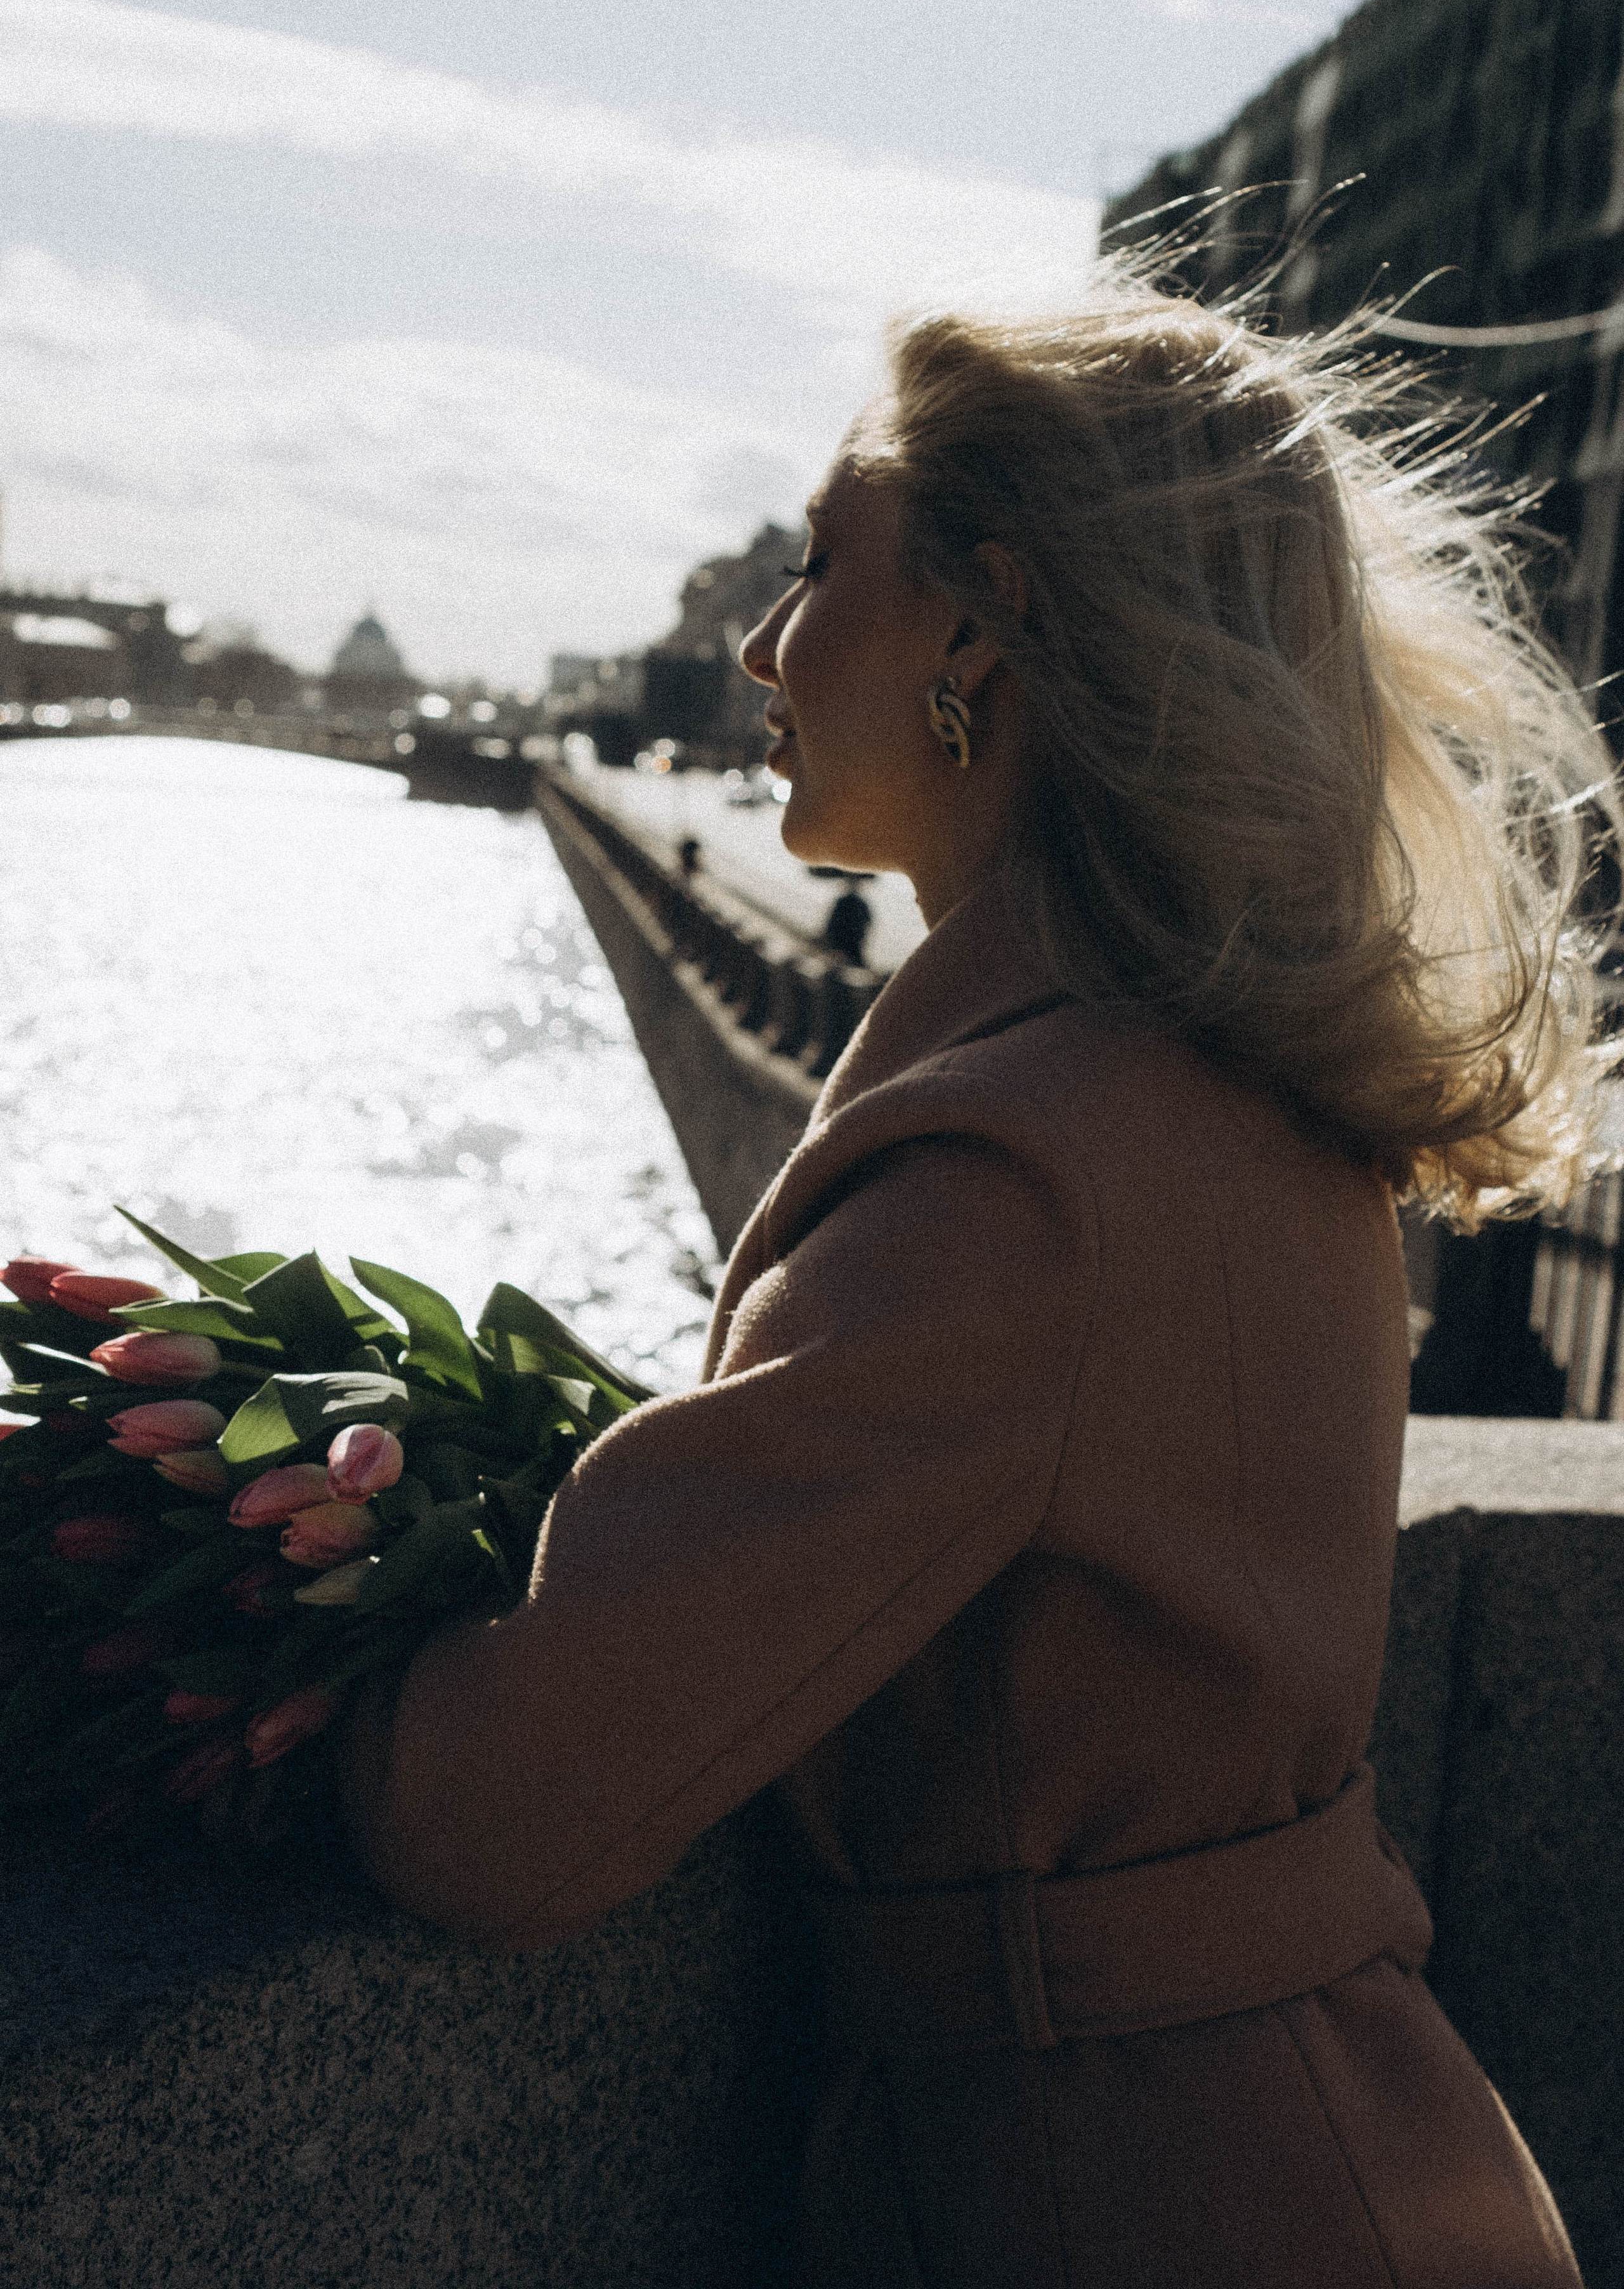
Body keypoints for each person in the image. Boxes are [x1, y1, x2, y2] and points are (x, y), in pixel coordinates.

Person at [341, 267, 1619, 2285]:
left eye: (816, 560)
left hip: (1136, 2195)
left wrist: (281, 1619)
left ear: (977, 625)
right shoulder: (1252, 1079)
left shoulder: (1016, 1178)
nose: (764, 642)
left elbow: (500, 1815)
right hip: (1333, 2157)